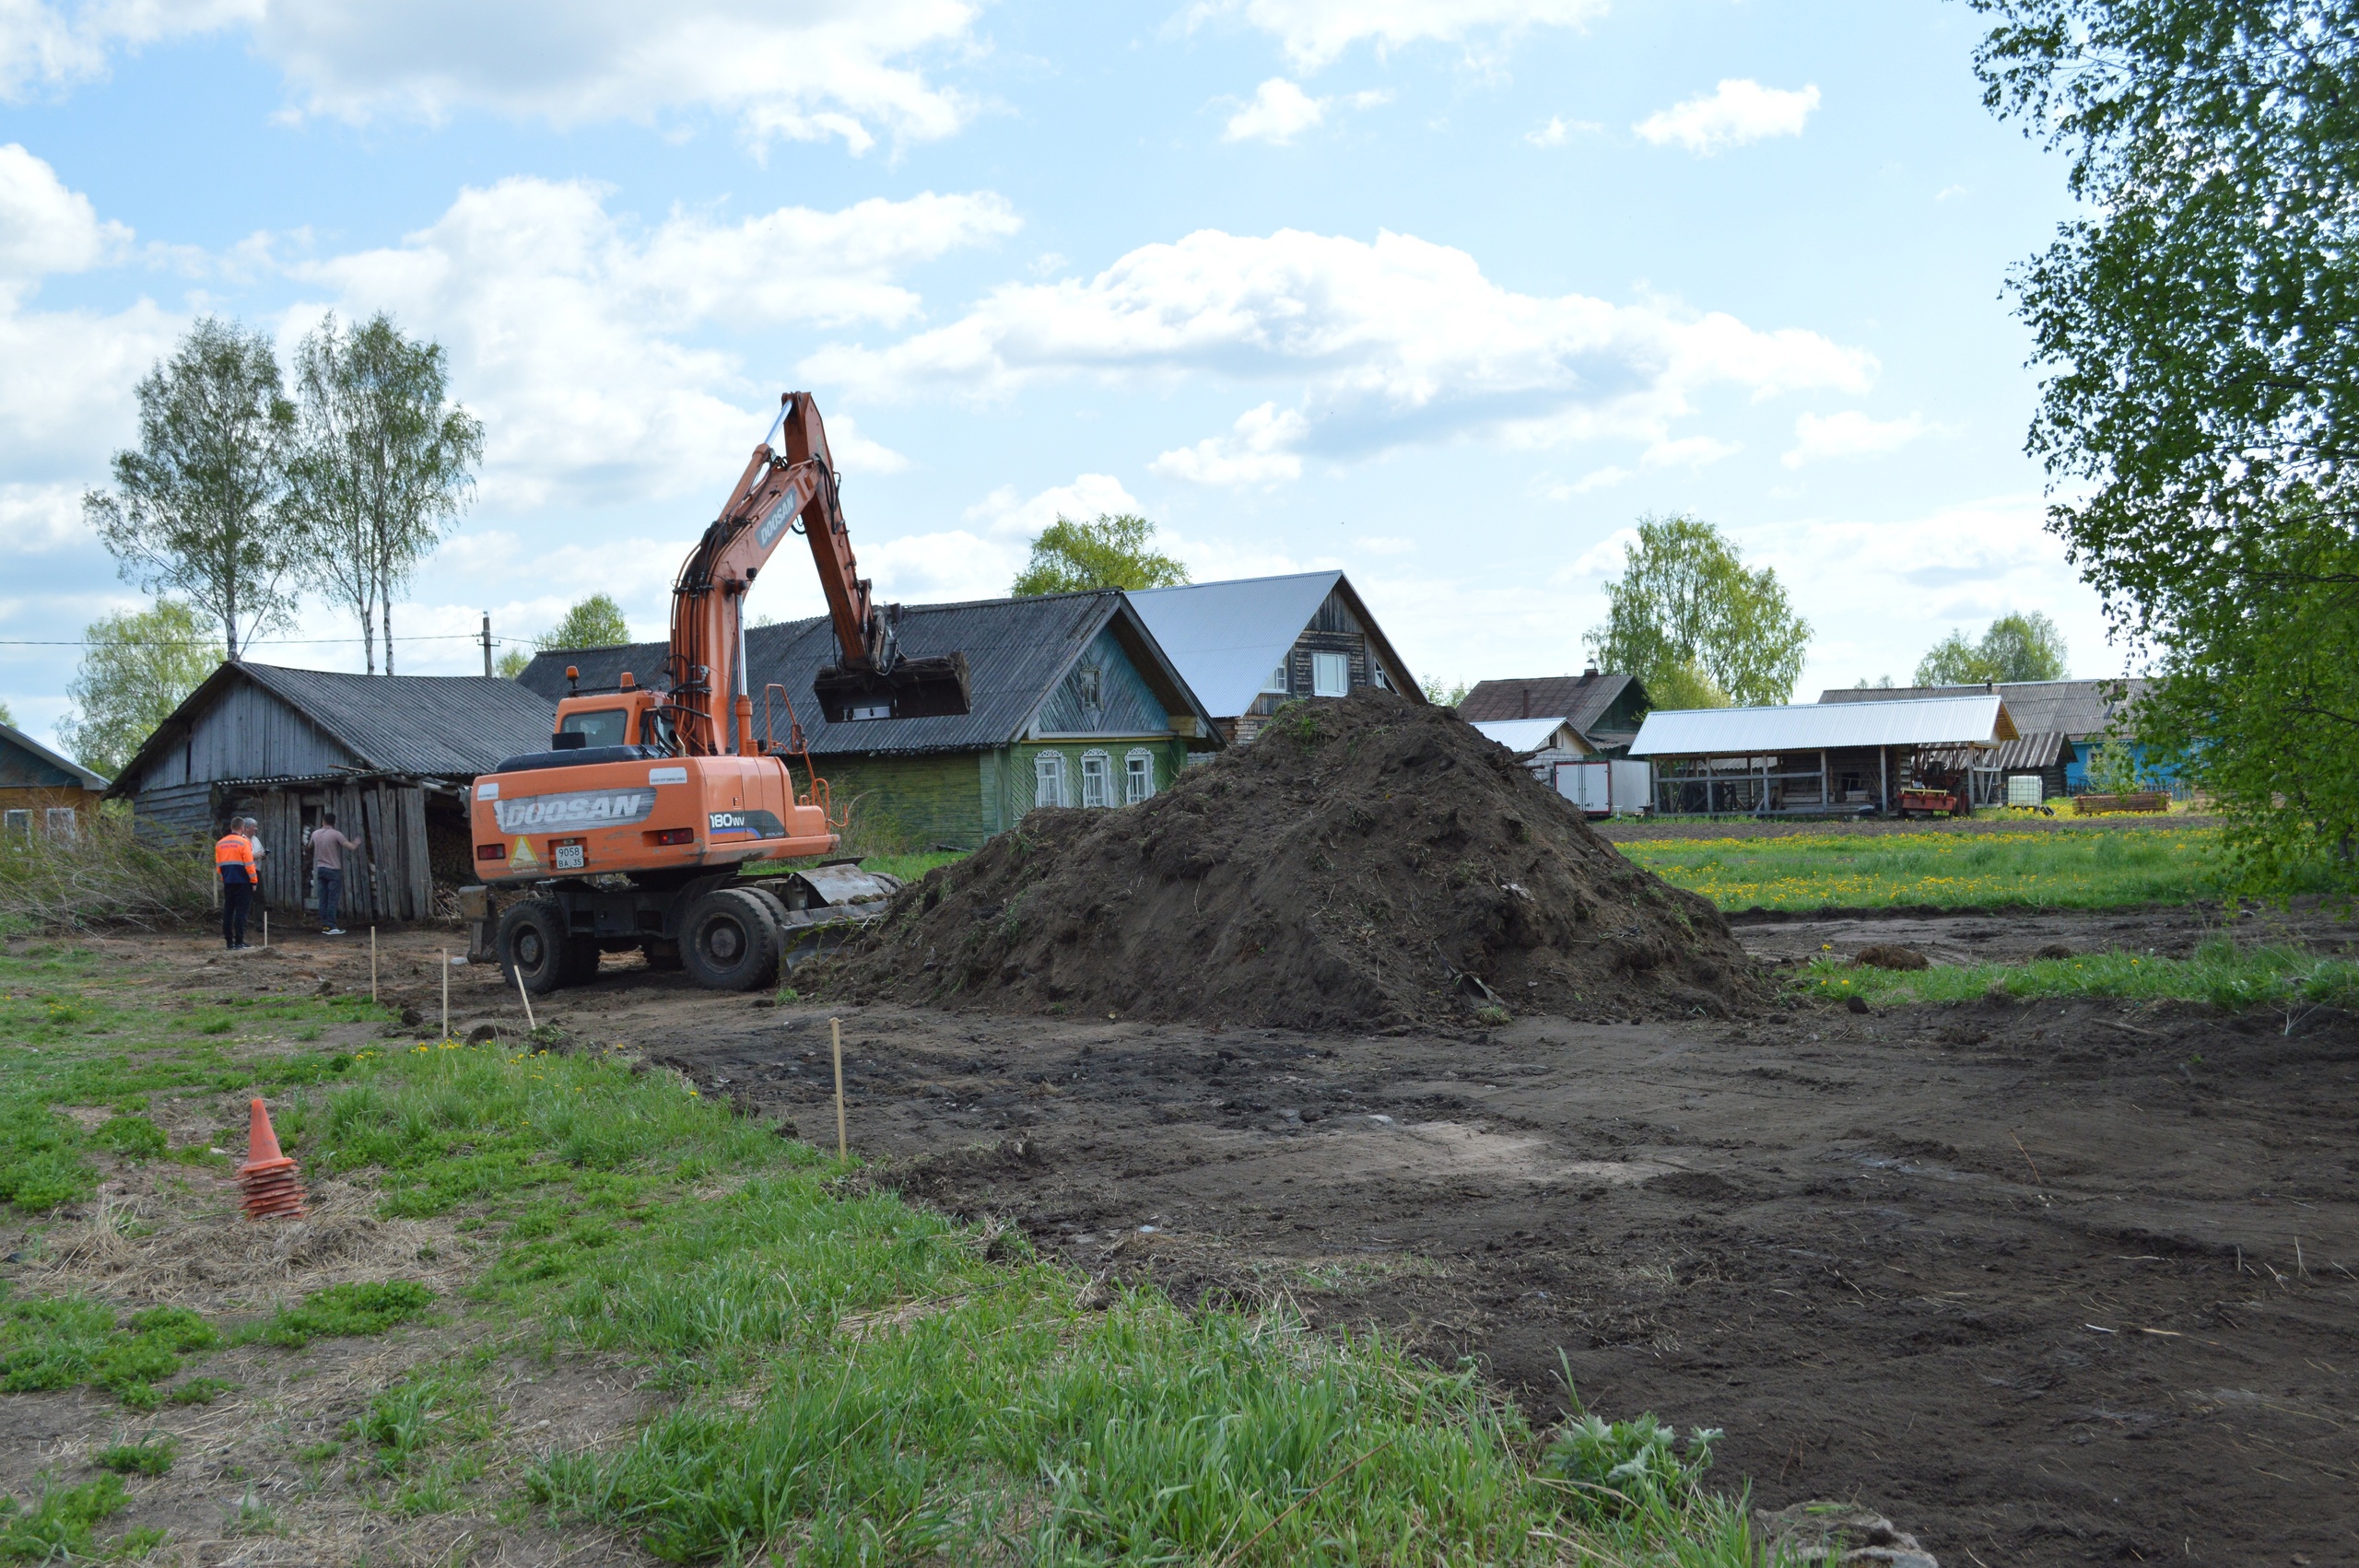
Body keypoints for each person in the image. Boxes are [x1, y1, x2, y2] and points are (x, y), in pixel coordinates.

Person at [308, 813, 359, 935]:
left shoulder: (315, 833)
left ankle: (325, 926)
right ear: (333, 822)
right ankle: (332, 926)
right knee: (332, 899)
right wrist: (356, 843)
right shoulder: (336, 834)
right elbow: (350, 847)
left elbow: (310, 846)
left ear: (323, 821)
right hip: (333, 870)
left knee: (323, 899)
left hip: (320, 869)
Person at [215, 823, 256, 950]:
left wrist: (224, 878)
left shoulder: (220, 843)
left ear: (231, 826)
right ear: (242, 827)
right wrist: (254, 881)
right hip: (243, 882)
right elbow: (249, 864)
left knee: (228, 910)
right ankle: (239, 941)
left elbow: (219, 866)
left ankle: (229, 942)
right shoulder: (244, 842)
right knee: (241, 911)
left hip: (228, 882)